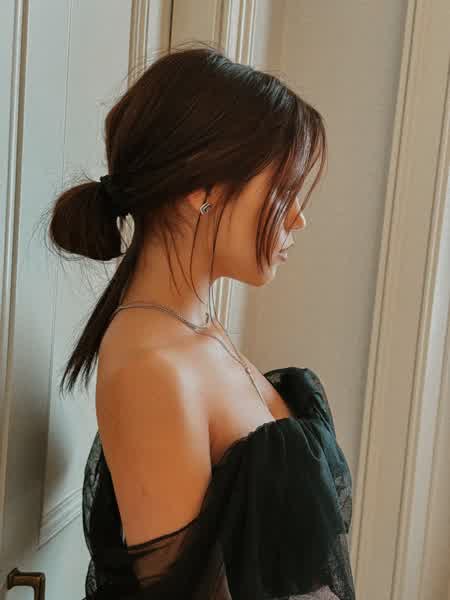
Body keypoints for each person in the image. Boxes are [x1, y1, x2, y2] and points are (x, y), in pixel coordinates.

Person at [46, 42, 355, 599]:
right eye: (283, 191)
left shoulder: (197, 331)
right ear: (203, 189)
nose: (298, 218)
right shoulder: (152, 369)